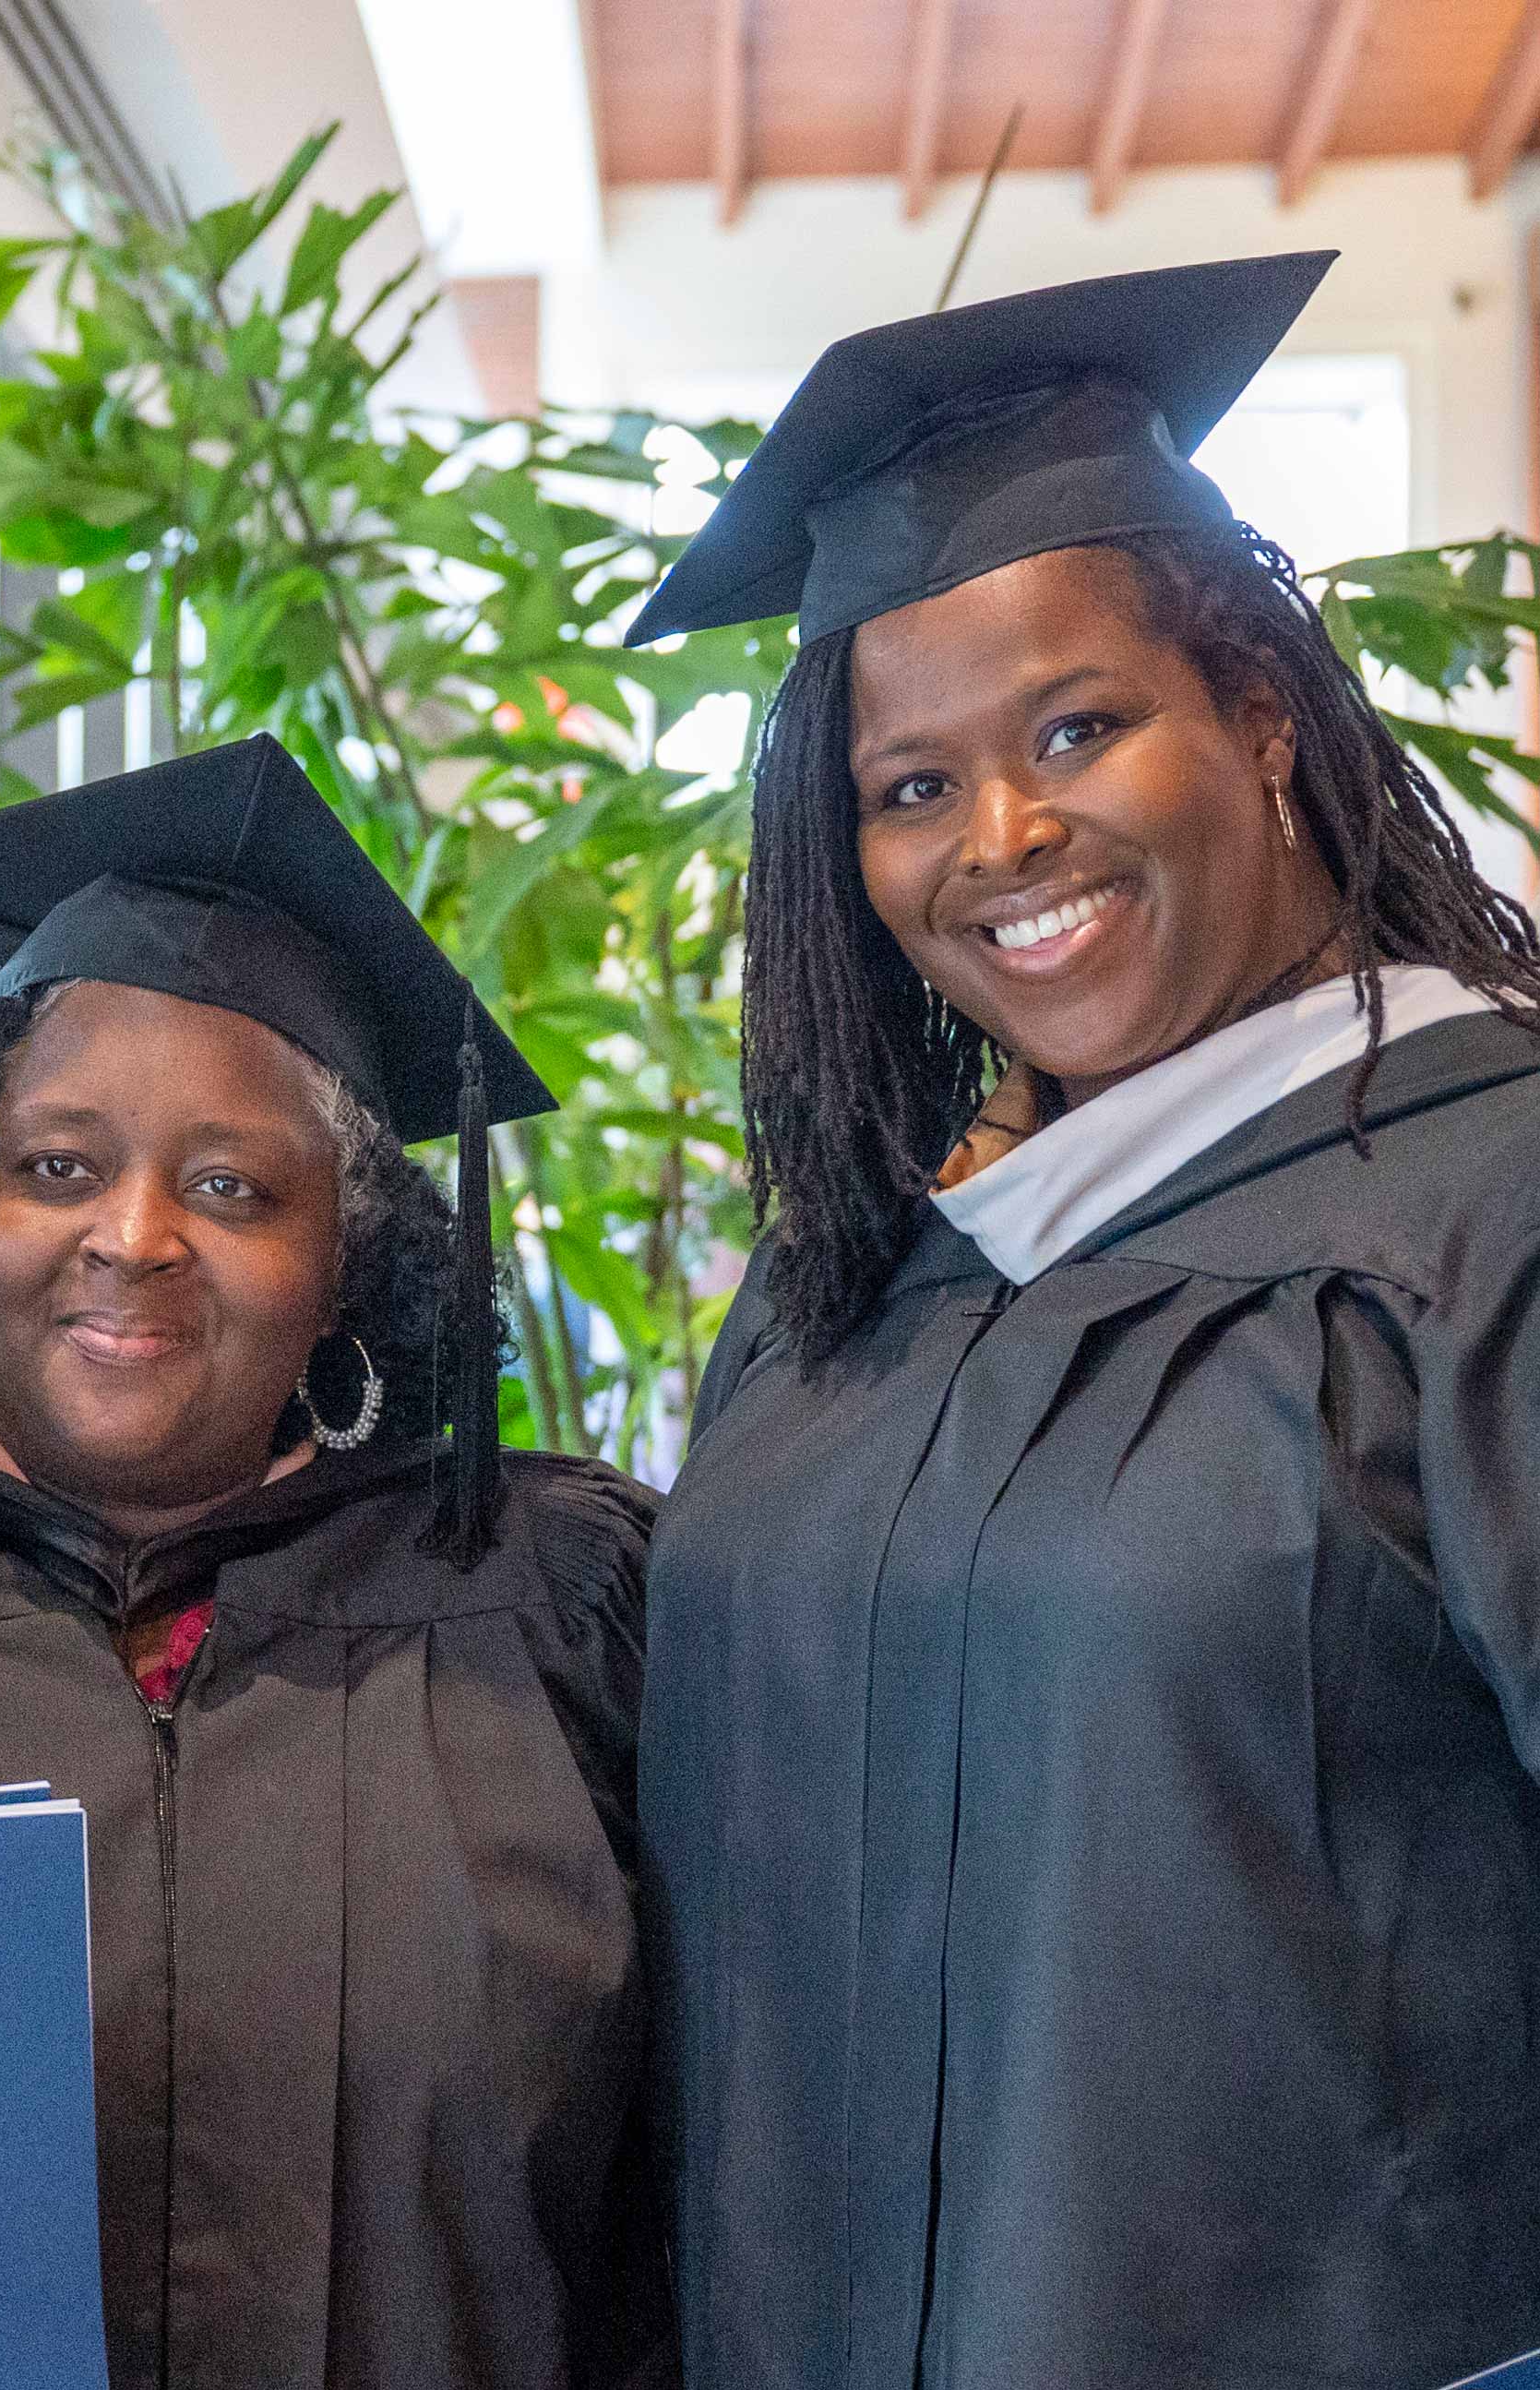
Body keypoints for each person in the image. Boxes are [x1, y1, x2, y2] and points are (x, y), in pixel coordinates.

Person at [632, 250, 1540, 2390]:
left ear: (1253, 710)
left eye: (1074, 725)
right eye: (909, 783)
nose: (1003, 836)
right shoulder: (845, 1285)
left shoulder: (1480, 1190)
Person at [0, 733, 674, 2390]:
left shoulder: (553, 1607)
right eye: (57, 1166)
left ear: (346, 1263)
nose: (139, 1233)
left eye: (234, 1185)